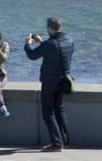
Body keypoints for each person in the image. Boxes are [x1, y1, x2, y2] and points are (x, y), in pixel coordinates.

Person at [24, 16, 74, 150]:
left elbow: (32, 55)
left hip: (49, 83)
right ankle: (64, 140)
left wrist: (27, 43)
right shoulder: (69, 40)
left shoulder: (50, 44)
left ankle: (57, 143)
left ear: (49, 28)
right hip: (64, 82)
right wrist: (43, 43)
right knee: (60, 110)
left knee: (48, 113)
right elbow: (57, 53)